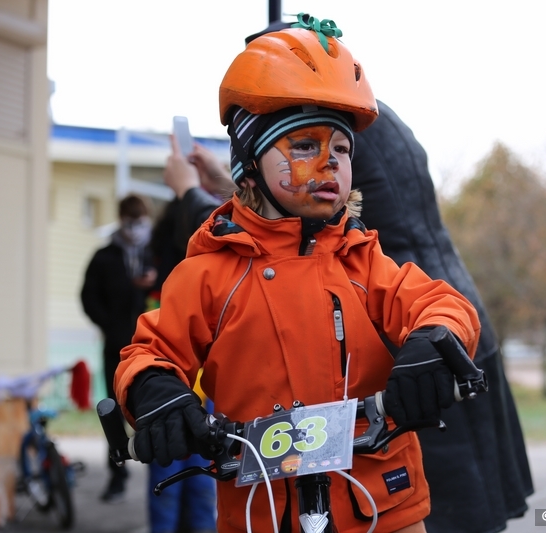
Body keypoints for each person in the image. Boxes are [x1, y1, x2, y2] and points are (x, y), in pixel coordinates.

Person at [114, 18, 480, 533]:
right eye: (305, 146)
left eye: (342, 149)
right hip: (263, 511)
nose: (330, 165)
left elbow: (438, 302)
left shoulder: (361, 261)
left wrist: (433, 341)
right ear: (248, 161)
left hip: (382, 507)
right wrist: (155, 390)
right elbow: (149, 351)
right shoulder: (208, 274)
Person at [351, 100, 534, 533]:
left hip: (413, 327)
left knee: (450, 513)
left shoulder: (335, 122)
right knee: (475, 509)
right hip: (452, 309)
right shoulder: (382, 116)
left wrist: (196, 196)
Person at [143, 138, 226, 533]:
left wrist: (193, 189)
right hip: (179, 375)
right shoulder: (204, 246)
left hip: (200, 381)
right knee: (188, 473)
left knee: (189, 475)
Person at [81, 194, 156, 502]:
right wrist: (109, 326)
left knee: (151, 407)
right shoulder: (104, 256)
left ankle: (157, 471)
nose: (134, 228)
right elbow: (88, 297)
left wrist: (154, 282)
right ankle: (117, 473)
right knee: (112, 411)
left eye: (139, 221)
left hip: (153, 346)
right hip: (116, 346)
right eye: (129, 221)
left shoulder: (156, 252)